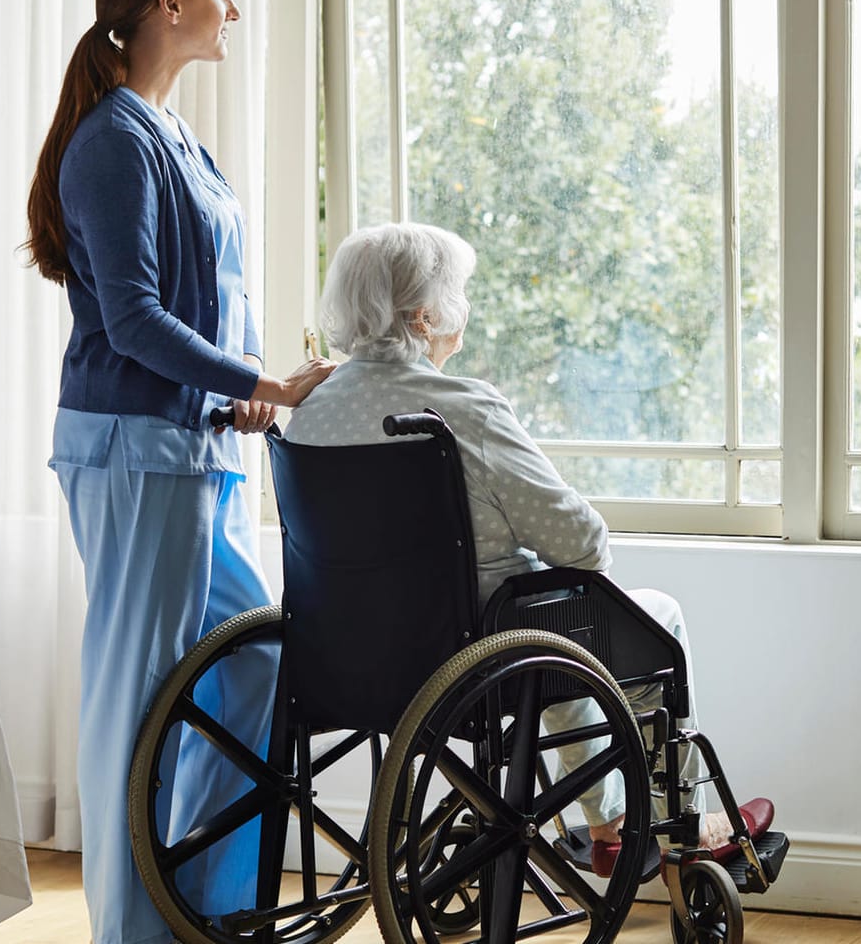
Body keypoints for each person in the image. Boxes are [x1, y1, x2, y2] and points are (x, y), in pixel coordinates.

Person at [284, 222, 771, 875]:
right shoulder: (464, 408)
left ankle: (609, 822)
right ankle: (642, 823)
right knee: (641, 620)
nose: (463, 308)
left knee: (547, 612)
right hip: (474, 655)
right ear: (425, 314)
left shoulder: (312, 410)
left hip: (345, 653)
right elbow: (583, 546)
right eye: (457, 293)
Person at [24, 0, 334, 944]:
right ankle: (130, 928)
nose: (230, 11)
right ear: (168, 3)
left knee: (255, 663)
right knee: (138, 695)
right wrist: (265, 382)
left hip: (191, 449)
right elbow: (136, 320)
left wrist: (242, 392)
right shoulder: (111, 140)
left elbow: (205, 304)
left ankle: (198, 899)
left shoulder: (177, 139)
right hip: (136, 455)